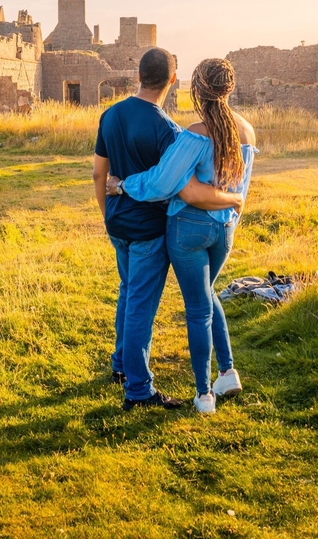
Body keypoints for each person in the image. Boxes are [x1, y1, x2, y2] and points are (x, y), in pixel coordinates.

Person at [93, 49, 242, 410]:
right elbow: (182, 187)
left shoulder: (110, 115)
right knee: (141, 305)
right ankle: (139, 389)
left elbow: (99, 173)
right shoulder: (167, 129)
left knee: (128, 292)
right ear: (173, 80)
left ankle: (120, 365)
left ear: (138, 74)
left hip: (117, 221)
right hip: (148, 227)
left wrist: (107, 211)